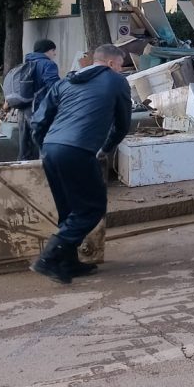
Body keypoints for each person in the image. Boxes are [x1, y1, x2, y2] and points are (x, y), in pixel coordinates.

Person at [29, 45, 132, 284]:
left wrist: (44, 147)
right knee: (92, 208)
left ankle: (68, 262)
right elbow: (122, 124)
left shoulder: (66, 81)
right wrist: (106, 149)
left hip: (52, 150)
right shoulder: (117, 82)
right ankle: (49, 258)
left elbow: (39, 120)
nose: (121, 70)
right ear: (110, 64)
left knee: (69, 211)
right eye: (120, 65)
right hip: (78, 150)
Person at [18, 39, 61, 162]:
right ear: (47, 50)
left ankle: (22, 171)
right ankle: (45, 170)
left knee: (24, 144)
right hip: (38, 109)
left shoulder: (26, 63)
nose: (54, 54)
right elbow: (54, 86)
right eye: (53, 50)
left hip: (22, 107)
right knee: (43, 140)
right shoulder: (48, 64)